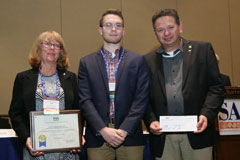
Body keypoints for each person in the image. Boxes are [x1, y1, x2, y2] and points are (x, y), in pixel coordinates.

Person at [144, 9, 225, 160]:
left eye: (170, 27)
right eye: (160, 30)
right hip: (163, 137)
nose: (166, 33)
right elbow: (144, 97)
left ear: (180, 27)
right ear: (155, 33)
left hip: (197, 133)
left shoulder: (202, 50)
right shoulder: (147, 61)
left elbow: (216, 88)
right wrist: (151, 120)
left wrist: (206, 115)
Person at [78, 9, 149, 160]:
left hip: (130, 135)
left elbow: (141, 99)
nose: (113, 29)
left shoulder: (137, 60)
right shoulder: (86, 63)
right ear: (100, 30)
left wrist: (124, 130)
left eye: (118, 25)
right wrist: (103, 129)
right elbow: (85, 100)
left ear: (123, 31)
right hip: (98, 135)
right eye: (108, 25)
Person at [9, 31, 81, 160]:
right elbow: (16, 113)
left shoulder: (70, 78)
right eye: (47, 44)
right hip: (36, 148)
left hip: (66, 149)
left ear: (61, 52)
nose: (52, 48)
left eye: (57, 45)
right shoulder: (23, 78)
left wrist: (77, 135)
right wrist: (27, 138)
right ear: (38, 49)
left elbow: (79, 109)